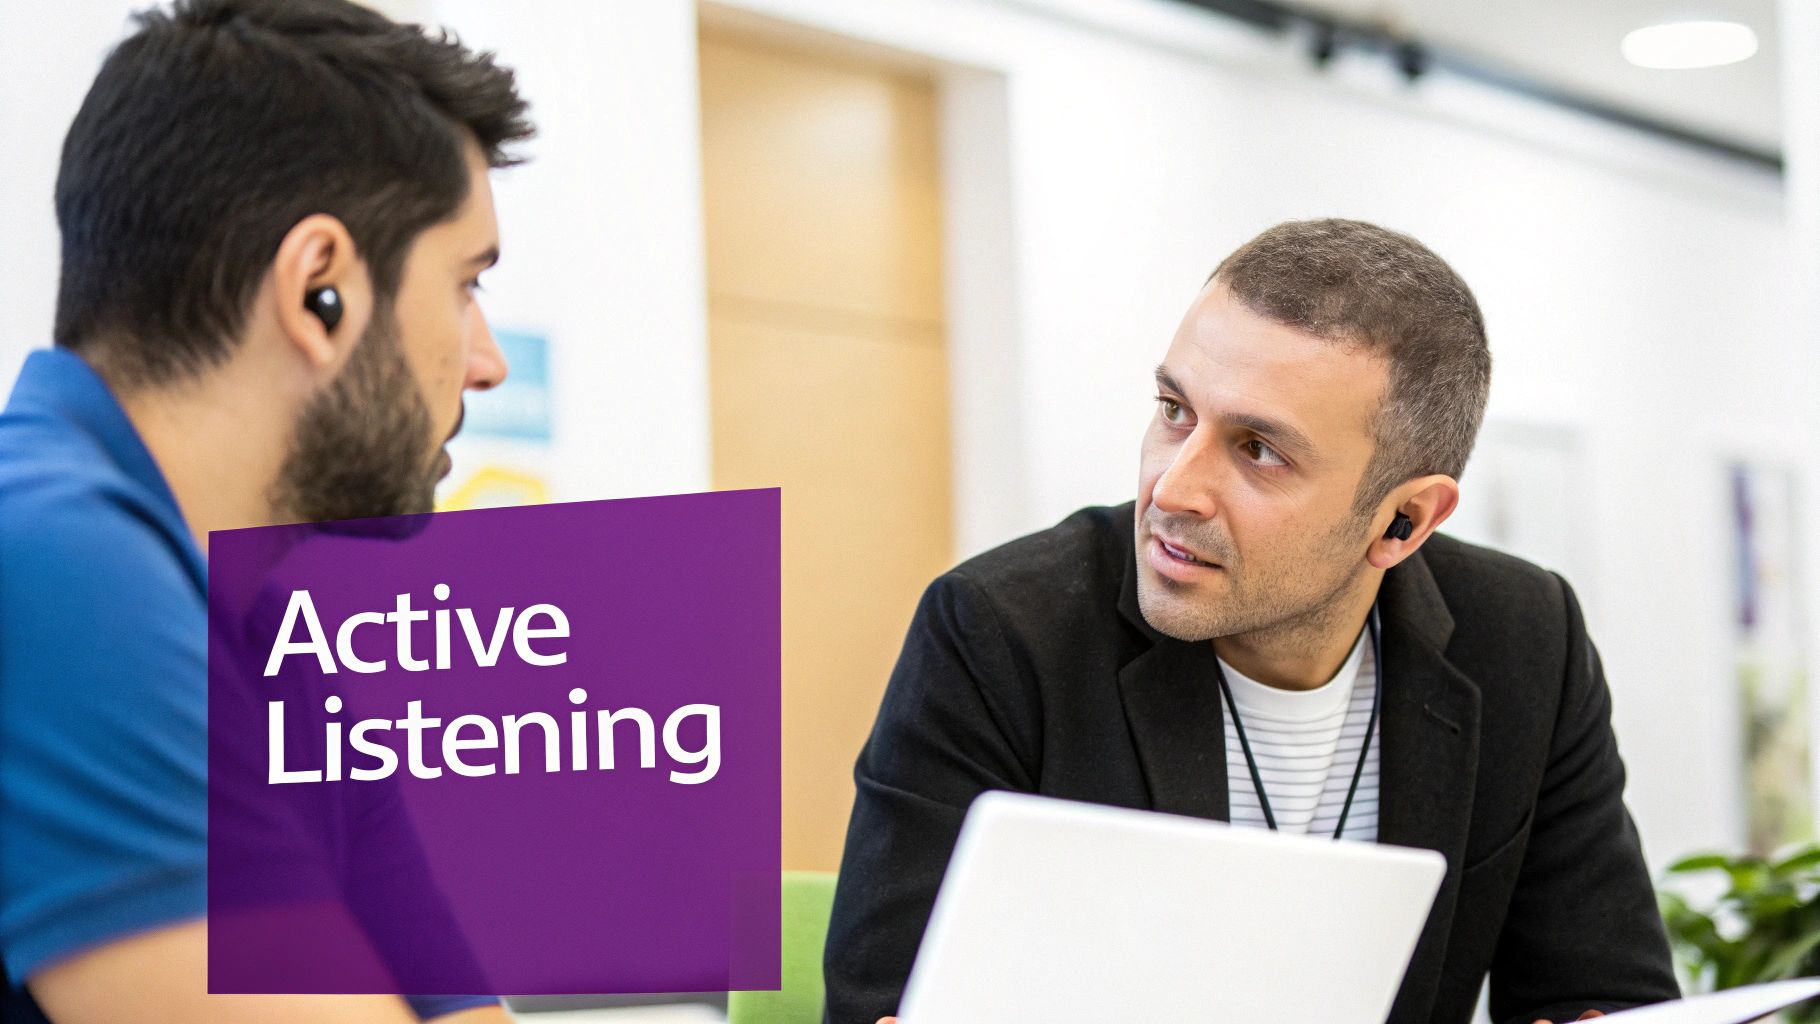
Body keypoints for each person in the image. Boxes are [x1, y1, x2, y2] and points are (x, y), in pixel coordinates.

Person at [825, 219, 1680, 1024]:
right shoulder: (1002, 633)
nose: (1172, 489)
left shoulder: (1527, 641)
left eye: (1258, 450)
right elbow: (883, 1005)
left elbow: (1607, 997)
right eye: (1174, 411)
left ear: (1405, 521)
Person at [0, 1, 532, 1020]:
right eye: (464, 286)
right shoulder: (53, 560)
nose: (486, 361)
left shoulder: (278, 664)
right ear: (317, 289)